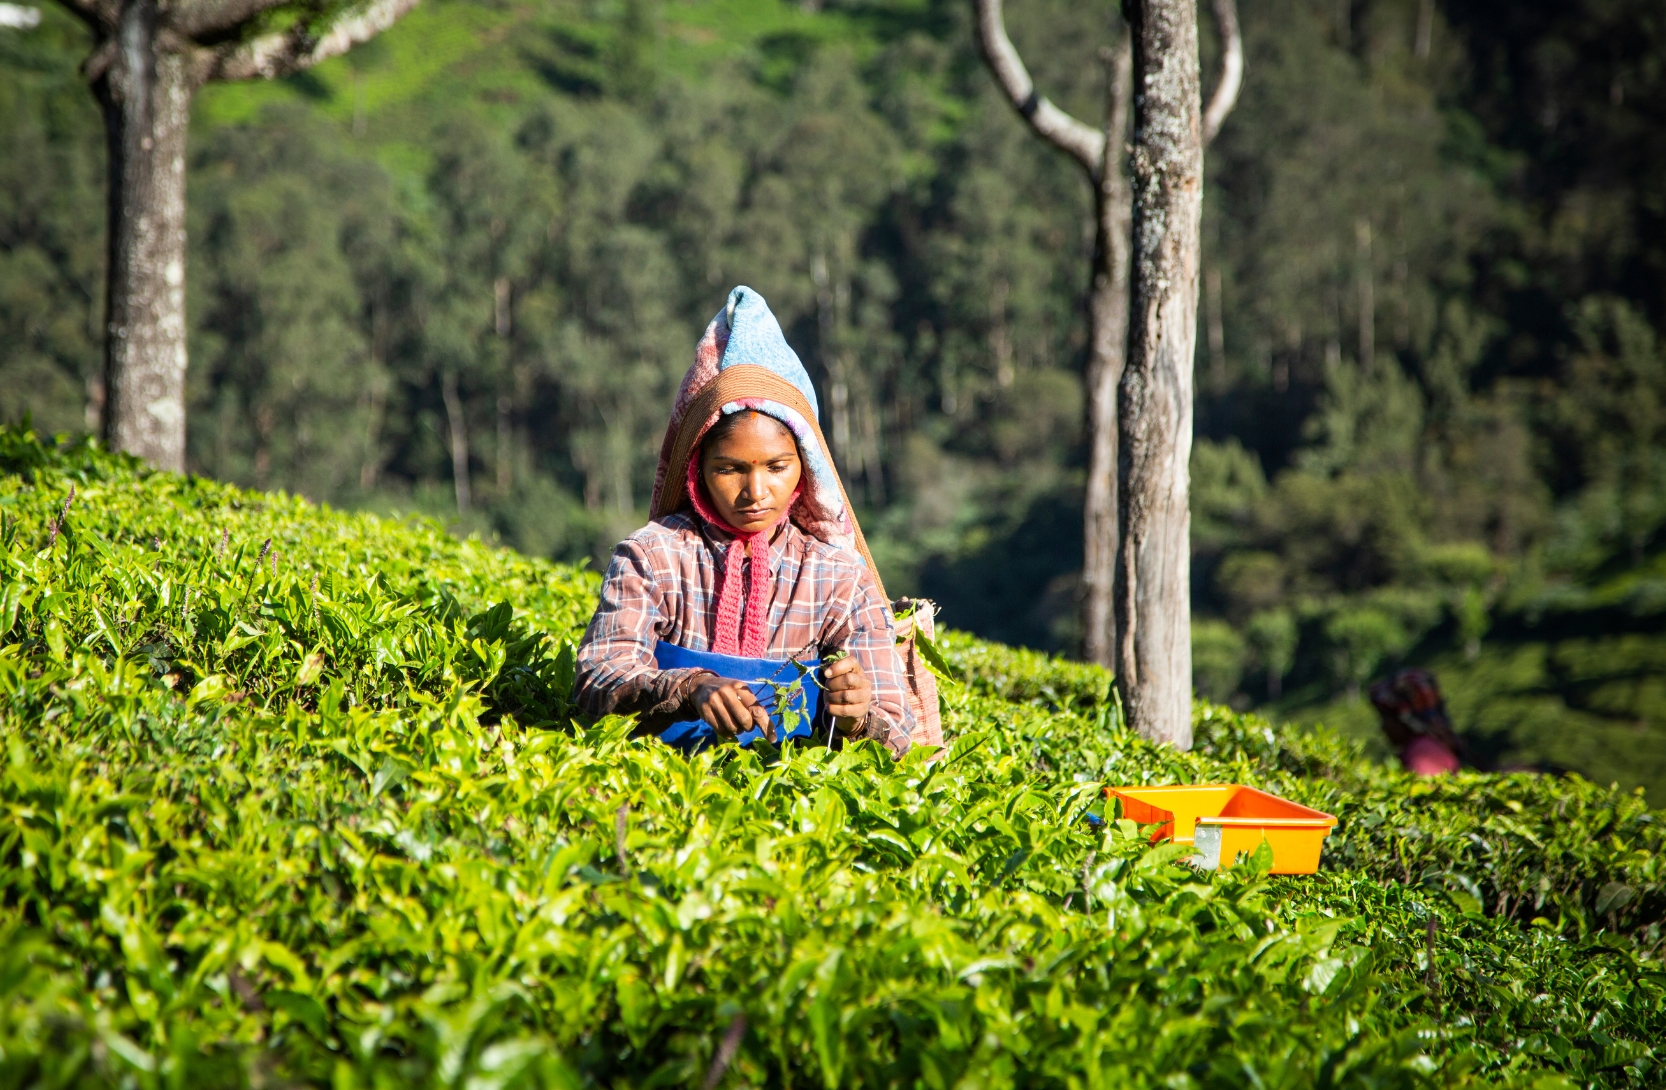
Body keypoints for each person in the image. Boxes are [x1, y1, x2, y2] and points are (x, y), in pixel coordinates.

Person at [575, 286, 915, 756]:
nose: (756, 493)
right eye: (730, 468)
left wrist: (859, 718)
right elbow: (597, 680)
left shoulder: (840, 580)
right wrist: (688, 688)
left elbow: (899, 735)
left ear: (805, 467)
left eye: (777, 467)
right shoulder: (652, 556)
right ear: (697, 469)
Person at [1368, 667, 1463, 775]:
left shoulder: (1421, 753)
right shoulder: (1436, 745)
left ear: (1404, 718)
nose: (1383, 728)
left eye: (1385, 718)